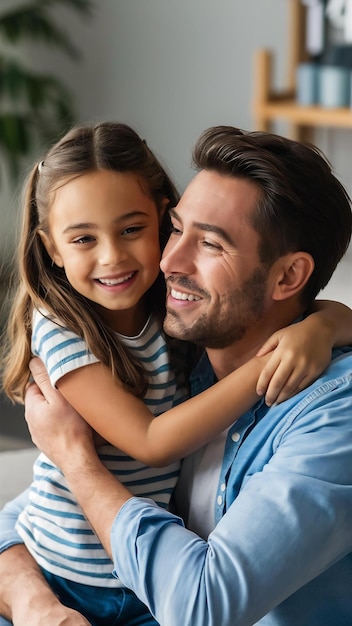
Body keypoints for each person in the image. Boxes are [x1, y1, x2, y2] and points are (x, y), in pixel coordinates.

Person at [1, 125, 352, 626]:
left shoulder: (334, 416)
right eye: (176, 229)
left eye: (209, 244)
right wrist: (33, 603)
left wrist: (77, 459)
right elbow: (35, 508)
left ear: (288, 277)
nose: (167, 261)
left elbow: (200, 608)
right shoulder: (193, 354)